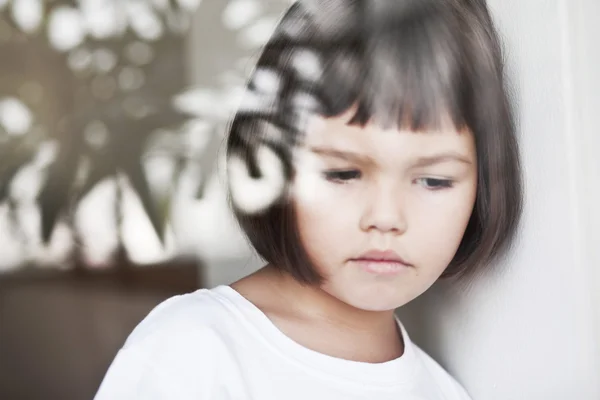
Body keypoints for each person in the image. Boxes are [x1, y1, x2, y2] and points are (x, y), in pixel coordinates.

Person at [95, 0, 523, 398]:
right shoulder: (194, 350)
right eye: (343, 173)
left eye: (433, 180)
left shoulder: (441, 391)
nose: (387, 217)